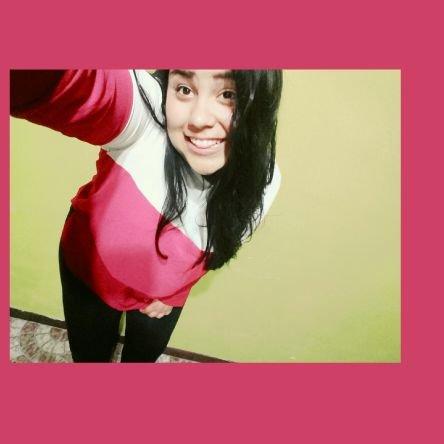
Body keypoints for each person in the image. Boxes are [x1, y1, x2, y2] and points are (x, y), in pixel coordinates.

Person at [10, 69, 283, 362]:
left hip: (161, 298)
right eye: (185, 89)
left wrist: (175, 292)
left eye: (228, 95)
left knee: (141, 361)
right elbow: (81, 82)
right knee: (89, 358)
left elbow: (220, 246)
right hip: (87, 271)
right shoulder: (147, 114)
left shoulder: (264, 181)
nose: (198, 119)